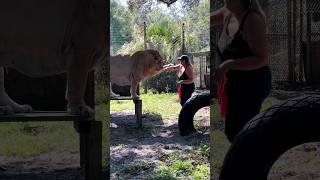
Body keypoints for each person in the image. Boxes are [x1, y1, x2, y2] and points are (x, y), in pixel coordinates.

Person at [211, 0, 272, 142]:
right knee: (234, 131)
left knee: (240, 132)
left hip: (253, 83)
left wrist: (227, 65)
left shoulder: (252, 19)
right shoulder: (228, 12)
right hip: (236, 82)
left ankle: (253, 159)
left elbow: (262, 59)